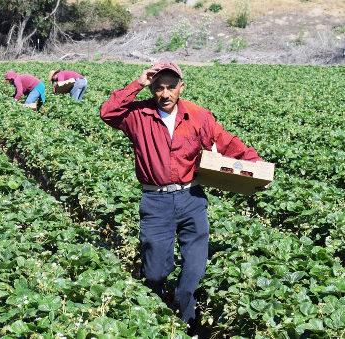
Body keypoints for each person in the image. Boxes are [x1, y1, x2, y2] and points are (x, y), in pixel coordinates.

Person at [100, 62, 263, 330]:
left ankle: (187, 321)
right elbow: (107, 112)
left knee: (193, 271)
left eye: (171, 87)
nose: (165, 93)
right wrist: (137, 83)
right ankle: (157, 307)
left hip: (191, 198)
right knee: (155, 271)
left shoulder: (198, 116)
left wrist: (256, 167)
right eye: (159, 87)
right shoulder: (138, 116)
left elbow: (227, 143)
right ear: (152, 89)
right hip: (156, 201)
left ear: (181, 88)